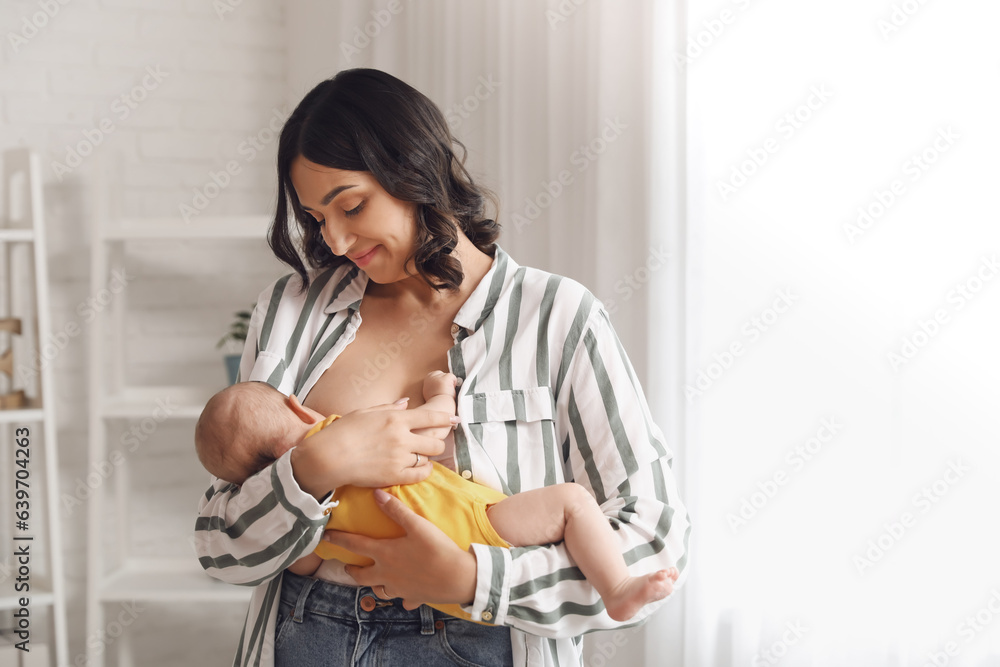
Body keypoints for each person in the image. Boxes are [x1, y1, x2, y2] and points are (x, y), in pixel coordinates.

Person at [194, 67, 691, 667]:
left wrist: (471, 579)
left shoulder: (559, 318)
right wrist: (312, 467)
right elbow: (222, 547)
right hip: (309, 636)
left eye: (351, 206)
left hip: (484, 641)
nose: (337, 240)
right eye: (317, 219)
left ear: (414, 169)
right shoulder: (293, 311)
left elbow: (653, 544)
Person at [195, 373, 680, 624]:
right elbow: (435, 428)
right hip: (481, 526)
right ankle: (615, 588)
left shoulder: (302, 524)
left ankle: (616, 592)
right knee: (573, 502)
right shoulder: (343, 430)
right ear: (299, 407)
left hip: (410, 590)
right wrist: (438, 389)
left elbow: (292, 565)